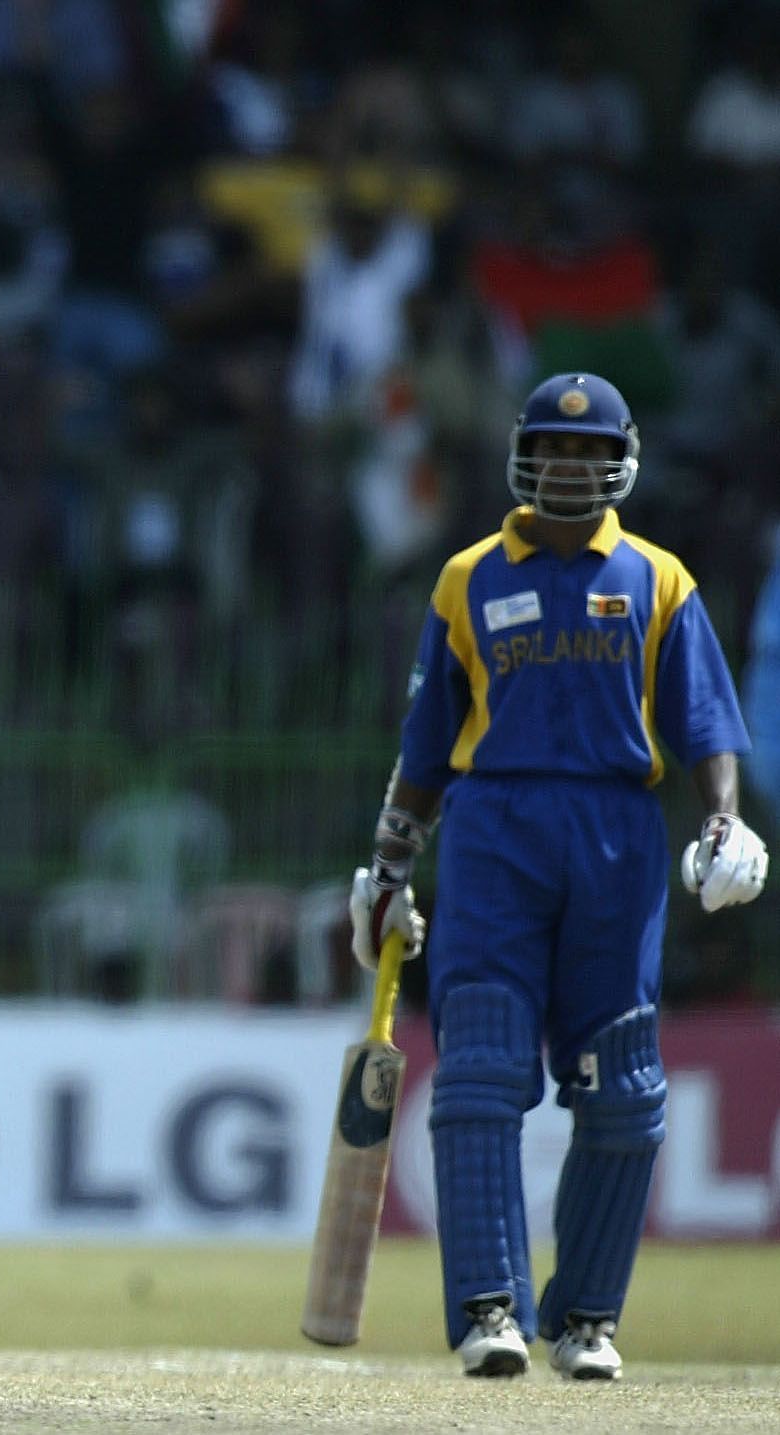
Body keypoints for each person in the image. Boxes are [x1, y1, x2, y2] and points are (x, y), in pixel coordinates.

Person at [348, 372, 767, 1381]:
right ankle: (487, 1307)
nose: (570, 467)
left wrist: (722, 816)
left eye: (588, 453)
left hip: (616, 835)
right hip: (492, 831)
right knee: (483, 1070)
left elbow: (703, 722)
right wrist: (388, 860)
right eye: (553, 449)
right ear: (522, 457)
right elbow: (426, 740)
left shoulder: (660, 580)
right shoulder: (466, 578)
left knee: (620, 1092)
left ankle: (585, 1318)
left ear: (619, 460)